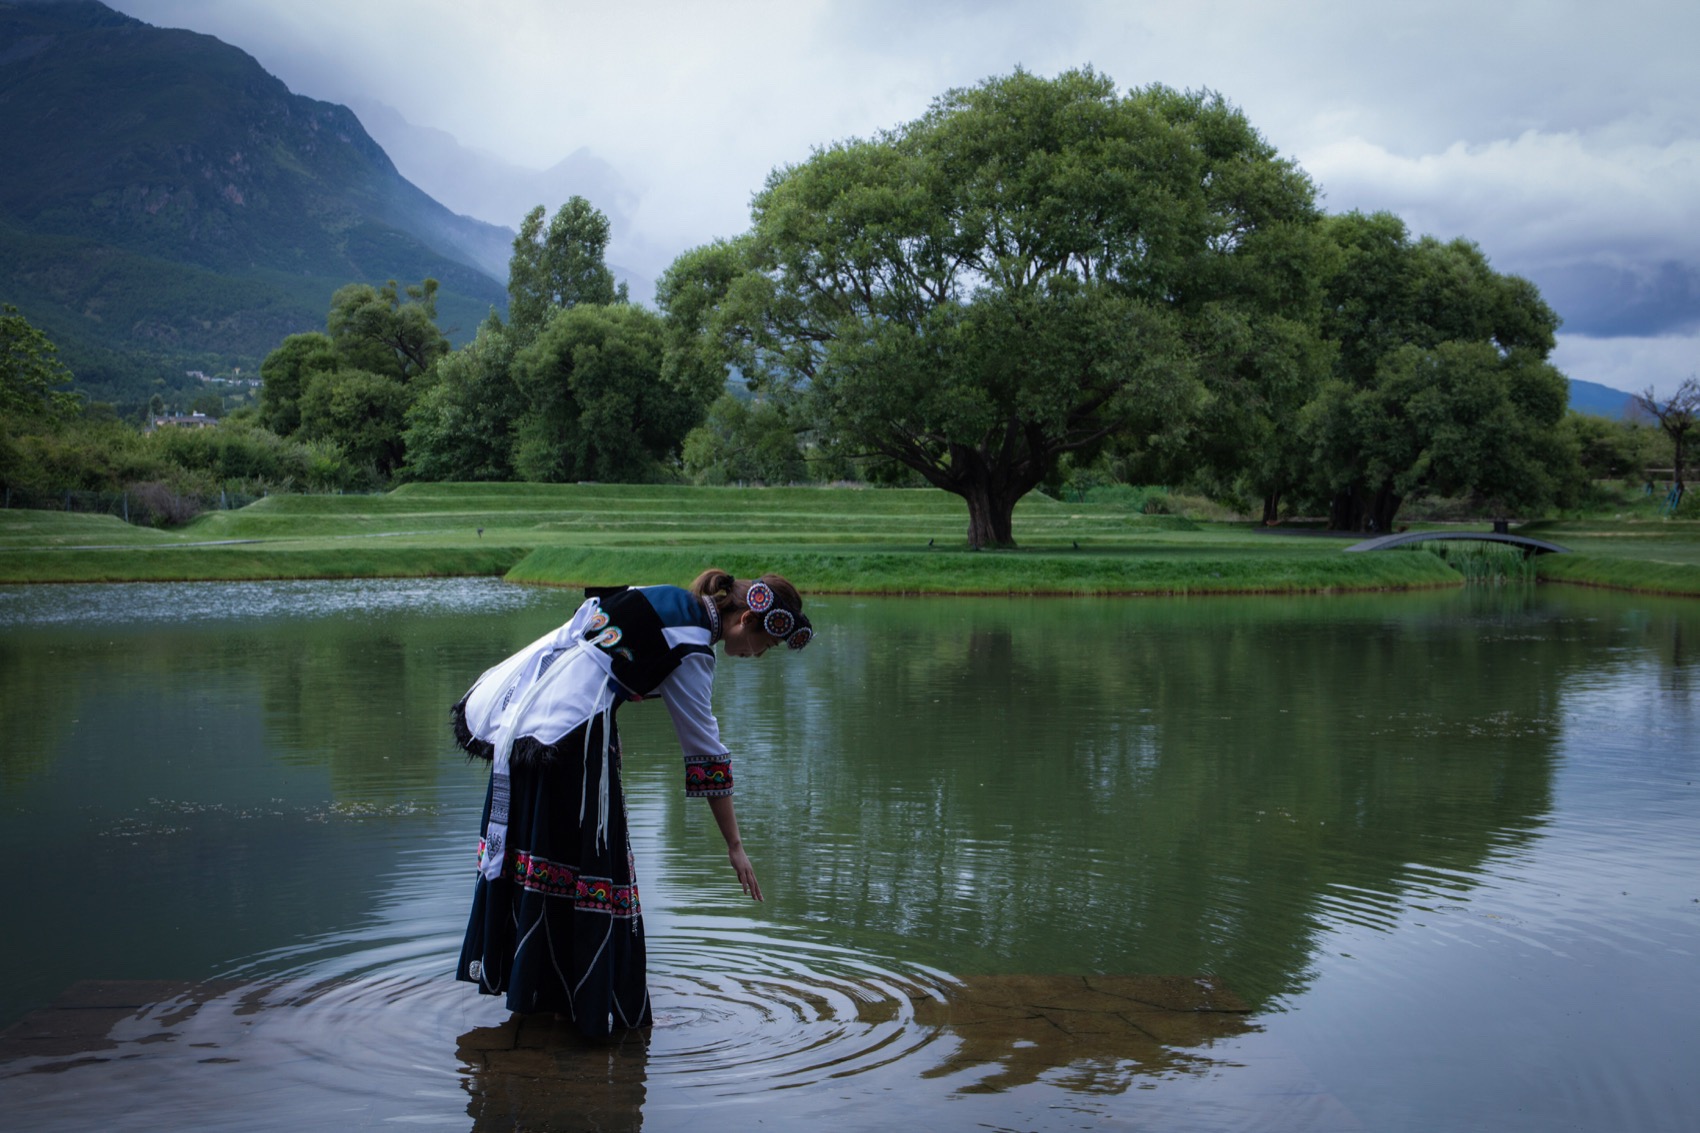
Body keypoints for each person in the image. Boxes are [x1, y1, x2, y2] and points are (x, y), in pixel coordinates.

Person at [451, 569, 811, 1037]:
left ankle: (537, 1004)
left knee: (539, 860)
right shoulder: (694, 646)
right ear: (745, 619)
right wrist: (735, 845)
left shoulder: (663, 599)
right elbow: (706, 753)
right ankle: (575, 1004)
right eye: (767, 645)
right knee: (587, 871)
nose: (761, 655)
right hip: (570, 738)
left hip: (528, 720)